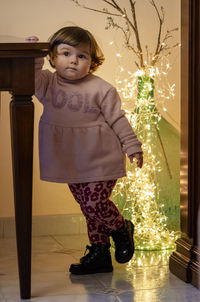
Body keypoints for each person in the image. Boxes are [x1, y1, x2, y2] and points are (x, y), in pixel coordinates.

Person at [27, 26, 143, 275]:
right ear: (53, 57)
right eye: (66, 53)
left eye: (82, 56)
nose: (74, 61)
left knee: (93, 204)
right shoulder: (48, 84)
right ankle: (99, 253)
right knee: (87, 208)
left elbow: (118, 119)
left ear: (91, 61)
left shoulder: (102, 89)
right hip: (71, 160)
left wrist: (132, 145)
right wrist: (34, 56)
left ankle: (121, 228)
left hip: (100, 157)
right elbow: (32, 80)